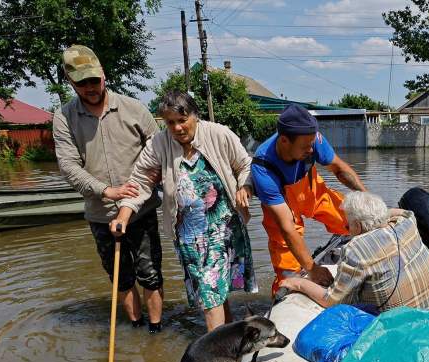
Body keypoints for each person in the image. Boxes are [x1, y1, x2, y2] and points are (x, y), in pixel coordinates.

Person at [110, 91, 256, 332]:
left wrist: (245, 186)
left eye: (182, 119)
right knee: (212, 293)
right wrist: (123, 216)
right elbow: (140, 182)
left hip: (224, 228)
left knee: (212, 294)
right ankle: (230, 337)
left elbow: (245, 165)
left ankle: (216, 356)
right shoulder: (159, 143)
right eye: (170, 122)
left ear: (195, 116)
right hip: (189, 237)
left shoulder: (218, 133)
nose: (177, 127)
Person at [53, 45, 164, 332]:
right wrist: (105, 190)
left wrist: (141, 191)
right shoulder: (64, 118)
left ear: (103, 75)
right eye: (82, 83)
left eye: (94, 80)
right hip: (100, 213)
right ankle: (137, 327)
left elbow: (160, 154)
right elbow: (68, 166)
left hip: (141, 210)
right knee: (121, 278)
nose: (90, 88)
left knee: (150, 275)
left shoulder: (134, 109)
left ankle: (156, 331)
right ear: (71, 82)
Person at [252, 104, 366, 294]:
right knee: (288, 271)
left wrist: (367, 197)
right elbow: (287, 227)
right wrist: (312, 269)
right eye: (305, 147)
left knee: (357, 220)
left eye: (312, 144)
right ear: (284, 141)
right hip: (283, 211)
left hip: (314, 195)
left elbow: (339, 169)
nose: (311, 150)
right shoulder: (263, 167)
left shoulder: (313, 141)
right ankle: (280, 302)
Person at [279, 191, 429, 311]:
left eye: (348, 225)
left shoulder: (355, 249)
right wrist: (379, 216)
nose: (347, 229)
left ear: (357, 226)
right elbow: (401, 212)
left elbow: (332, 301)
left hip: (403, 324)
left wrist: (298, 283)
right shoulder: (406, 221)